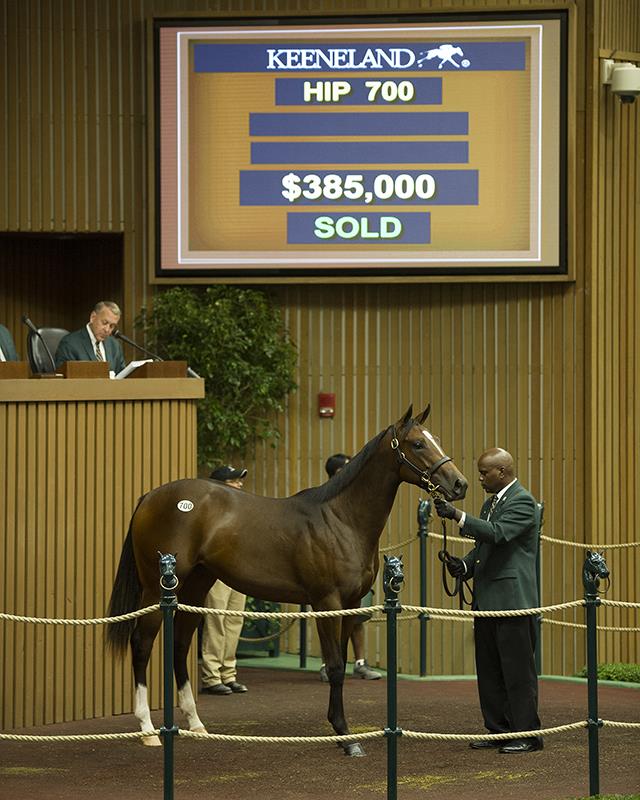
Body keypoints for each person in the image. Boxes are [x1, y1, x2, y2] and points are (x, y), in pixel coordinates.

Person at [434, 447, 543, 754]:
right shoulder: (489, 504)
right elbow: (486, 547)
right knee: (490, 670)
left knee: (518, 672)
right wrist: (465, 566)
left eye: (484, 473)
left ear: (502, 472)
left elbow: (498, 534)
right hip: (487, 602)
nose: (479, 478)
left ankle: (527, 734)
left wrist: (457, 515)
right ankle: (499, 730)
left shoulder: (523, 501)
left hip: (513, 602)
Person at [319, 453, 382, 682]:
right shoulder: (324, 498)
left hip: (357, 566)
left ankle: (360, 662)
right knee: (331, 616)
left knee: (358, 616)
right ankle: (329, 662)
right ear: (335, 473)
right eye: (344, 469)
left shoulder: (359, 496)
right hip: (333, 568)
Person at [200, 464, 249, 695]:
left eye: (240, 481)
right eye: (234, 481)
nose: (240, 484)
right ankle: (211, 676)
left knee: (234, 620)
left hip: (239, 570)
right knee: (216, 620)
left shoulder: (242, 509)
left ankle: (228, 674)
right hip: (218, 572)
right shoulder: (212, 512)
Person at [54, 300, 125, 375]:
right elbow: (64, 378)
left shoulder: (114, 345)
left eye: (112, 326)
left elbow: (122, 376)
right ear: (93, 317)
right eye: (104, 323)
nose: (107, 330)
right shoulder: (69, 344)